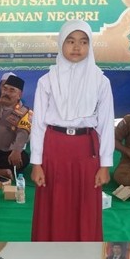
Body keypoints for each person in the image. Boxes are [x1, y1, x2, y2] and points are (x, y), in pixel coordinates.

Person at [29, 20, 113, 241]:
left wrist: (105, 165)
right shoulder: (47, 81)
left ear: (90, 46)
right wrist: (36, 163)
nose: (77, 47)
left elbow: (106, 124)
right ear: (61, 43)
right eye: (71, 41)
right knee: (53, 204)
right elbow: (38, 125)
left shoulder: (101, 81)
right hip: (54, 148)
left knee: (84, 205)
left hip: (85, 151)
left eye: (84, 42)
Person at [0, 74, 32, 180]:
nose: (6, 93)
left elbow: (23, 132)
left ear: (19, 95)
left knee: (24, 158)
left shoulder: (25, 112)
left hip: (7, 153)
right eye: (5, 89)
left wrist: (16, 150)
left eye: (11, 90)